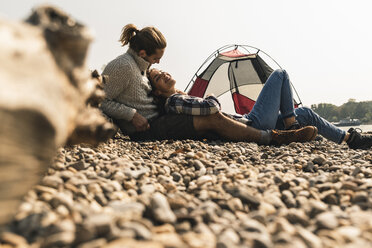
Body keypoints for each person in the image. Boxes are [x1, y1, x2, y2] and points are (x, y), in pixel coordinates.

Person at [100, 24, 317, 145]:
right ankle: (271, 137)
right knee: (210, 117)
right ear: (143, 53)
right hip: (149, 128)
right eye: (157, 58)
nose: (159, 63)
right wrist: (131, 115)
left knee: (209, 119)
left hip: (160, 118)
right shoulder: (122, 67)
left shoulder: (141, 66)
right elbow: (100, 99)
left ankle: (265, 132)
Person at [148, 68, 372, 150]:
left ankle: (349, 139)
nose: (164, 74)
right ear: (157, 91)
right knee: (280, 74)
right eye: (158, 77)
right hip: (250, 125)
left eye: (163, 71)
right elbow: (210, 108)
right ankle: (291, 125)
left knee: (304, 112)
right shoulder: (174, 101)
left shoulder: (181, 97)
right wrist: (212, 97)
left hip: (248, 121)